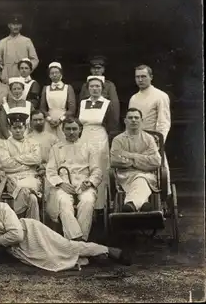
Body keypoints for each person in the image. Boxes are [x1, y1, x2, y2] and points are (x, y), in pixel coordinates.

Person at [0, 185, 131, 272]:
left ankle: (108, 250)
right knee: (49, 261)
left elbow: (16, 234)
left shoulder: (2, 207)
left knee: (66, 246)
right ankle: (89, 256)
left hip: (31, 232)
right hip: (17, 249)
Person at [46, 117, 102, 242]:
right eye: (68, 129)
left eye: (74, 129)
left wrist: (90, 181)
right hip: (64, 184)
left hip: (83, 184)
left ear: (80, 129)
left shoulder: (89, 147)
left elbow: (97, 170)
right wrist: (61, 183)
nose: (71, 132)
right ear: (63, 130)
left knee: (88, 201)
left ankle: (81, 240)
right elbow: (50, 171)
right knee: (64, 202)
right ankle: (76, 240)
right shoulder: (56, 148)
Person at [78, 76, 119, 211]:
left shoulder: (107, 103)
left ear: (102, 88)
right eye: (92, 86)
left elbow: (112, 125)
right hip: (84, 138)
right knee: (84, 168)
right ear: (88, 88)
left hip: (100, 139)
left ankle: (101, 205)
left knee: (99, 169)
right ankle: (84, 203)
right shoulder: (83, 103)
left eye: (97, 86)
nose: (95, 89)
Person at [128, 64, 171, 195]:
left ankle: (164, 200)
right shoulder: (134, 98)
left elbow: (164, 121)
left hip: (153, 140)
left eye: (143, 76)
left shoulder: (160, 96)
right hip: (136, 140)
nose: (140, 80)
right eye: (137, 77)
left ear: (151, 77)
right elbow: (131, 121)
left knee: (160, 171)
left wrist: (158, 142)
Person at [110, 108, 161, 212]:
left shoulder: (149, 139)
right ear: (125, 121)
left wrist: (130, 157)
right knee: (140, 179)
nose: (133, 120)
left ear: (141, 121)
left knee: (141, 178)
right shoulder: (118, 140)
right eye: (130, 117)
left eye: (136, 117)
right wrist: (144, 159)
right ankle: (143, 204)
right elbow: (114, 160)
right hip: (125, 176)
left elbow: (156, 161)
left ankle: (131, 204)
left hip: (147, 175)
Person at [0, 113, 41, 221]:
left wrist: (15, 158)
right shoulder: (4, 144)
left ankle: (16, 221)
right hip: (13, 179)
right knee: (32, 198)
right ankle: (31, 227)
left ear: (25, 128)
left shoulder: (33, 143)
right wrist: (27, 165)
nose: (18, 130)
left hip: (31, 177)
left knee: (27, 190)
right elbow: (5, 164)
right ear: (10, 128)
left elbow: (37, 159)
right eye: (14, 127)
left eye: (20, 127)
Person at [0, 14, 39, 82]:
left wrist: (27, 70)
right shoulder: (3, 42)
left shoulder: (27, 41)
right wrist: (3, 73)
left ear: (21, 26)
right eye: (13, 24)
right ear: (9, 25)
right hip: (8, 76)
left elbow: (35, 60)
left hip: (23, 77)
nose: (16, 27)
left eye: (18, 24)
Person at [39, 62, 76, 140]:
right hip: (49, 120)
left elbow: (72, 108)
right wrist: (49, 119)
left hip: (64, 119)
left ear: (61, 74)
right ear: (49, 75)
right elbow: (42, 107)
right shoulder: (46, 88)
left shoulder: (68, 88)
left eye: (56, 72)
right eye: (52, 73)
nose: (54, 75)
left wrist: (61, 119)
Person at [79, 56, 120, 121]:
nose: (96, 70)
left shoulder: (109, 85)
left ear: (103, 69)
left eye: (99, 68)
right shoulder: (85, 86)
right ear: (90, 70)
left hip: (104, 119)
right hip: (87, 117)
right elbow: (80, 105)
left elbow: (114, 106)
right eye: (93, 68)